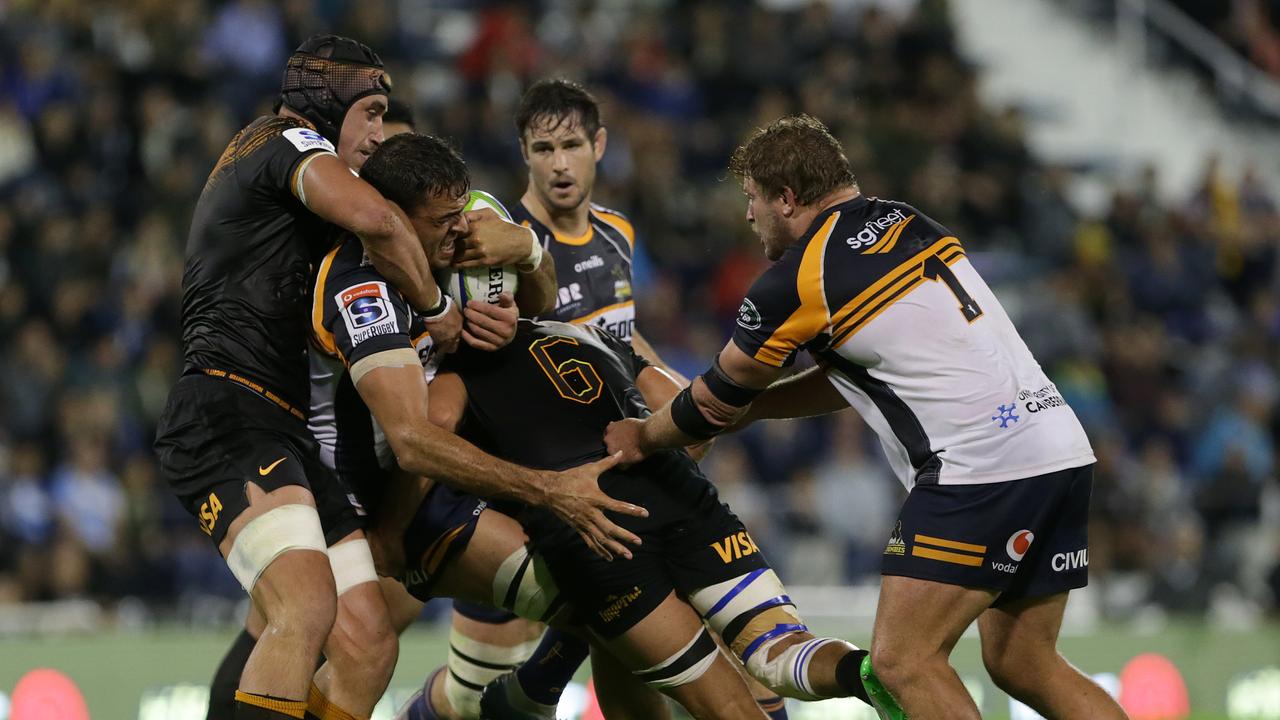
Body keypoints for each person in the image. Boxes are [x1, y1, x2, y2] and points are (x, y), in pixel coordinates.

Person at [605, 114, 1130, 720]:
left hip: (980, 468)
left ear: (786, 199)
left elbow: (714, 399)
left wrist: (642, 436)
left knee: (902, 661)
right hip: (1057, 444)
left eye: (752, 200)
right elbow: (866, 372)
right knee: (1023, 662)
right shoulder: (908, 220)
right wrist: (757, 410)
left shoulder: (799, 278)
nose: (748, 216)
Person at [423, 317, 885, 720]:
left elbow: (428, 434)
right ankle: (873, 675)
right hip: (680, 493)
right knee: (779, 657)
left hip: (597, 525)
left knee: (726, 708)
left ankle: (533, 691)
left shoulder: (456, 369)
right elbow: (690, 415)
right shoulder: (594, 332)